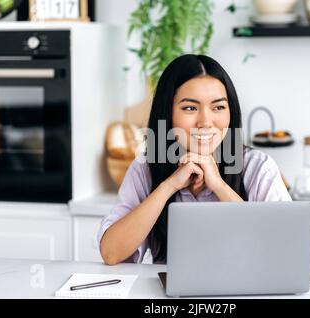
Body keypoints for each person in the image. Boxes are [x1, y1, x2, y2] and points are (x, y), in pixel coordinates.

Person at [98, 54, 291, 265]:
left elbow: (283, 250)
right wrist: (168, 186)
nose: (206, 122)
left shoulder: (259, 167)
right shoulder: (145, 168)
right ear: (168, 113)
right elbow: (111, 253)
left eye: (218, 107)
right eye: (190, 108)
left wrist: (219, 186)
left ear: (230, 112)